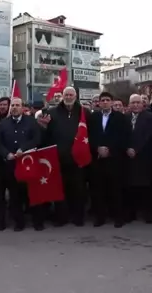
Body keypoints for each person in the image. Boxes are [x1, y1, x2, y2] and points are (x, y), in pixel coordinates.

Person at [38, 87, 93, 226]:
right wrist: (43, 127)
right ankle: (61, 218)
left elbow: (90, 134)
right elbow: (45, 137)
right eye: (66, 94)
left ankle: (78, 218)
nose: (68, 97)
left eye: (71, 94)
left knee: (78, 190)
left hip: (78, 159)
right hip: (58, 159)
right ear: (62, 96)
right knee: (59, 190)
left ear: (75, 96)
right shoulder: (51, 113)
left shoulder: (84, 112)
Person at [0, 97, 42, 231]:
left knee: (32, 194)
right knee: (15, 195)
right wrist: (6, 154)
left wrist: (24, 148)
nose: (14, 107)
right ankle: (19, 222)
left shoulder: (31, 122)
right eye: (13, 105)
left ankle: (37, 222)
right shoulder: (3, 123)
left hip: (28, 163)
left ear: (22, 107)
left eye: (17, 105)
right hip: (11, 165)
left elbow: (37, 139)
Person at [89, 92, 130, 228]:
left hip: (115, 159)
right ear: (99, 103)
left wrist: (109, 149)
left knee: (116, 190)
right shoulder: (93, 118)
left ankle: (118, 217)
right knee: (98, 190)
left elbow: (124, 137)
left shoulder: (120, 118)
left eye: (107, 100)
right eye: (103, 100)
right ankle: (100, 217)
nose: (105, 102)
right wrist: (97, 148)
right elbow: (89, 136)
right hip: (98, 159)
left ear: (112, 102)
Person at [125, 94, 152, 223]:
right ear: (129, 104)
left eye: (138, 102)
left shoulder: (149, 117)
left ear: (143, 104)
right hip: (128, 157)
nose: (136, 105)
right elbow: (122, 135)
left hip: (144, 156)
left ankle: (147, 213)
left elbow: (149, 136)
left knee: (145, 187)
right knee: (130, 187)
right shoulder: (125, 118)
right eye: (133, 103)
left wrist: (136, 149)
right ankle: (131, 213)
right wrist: (127, 148)